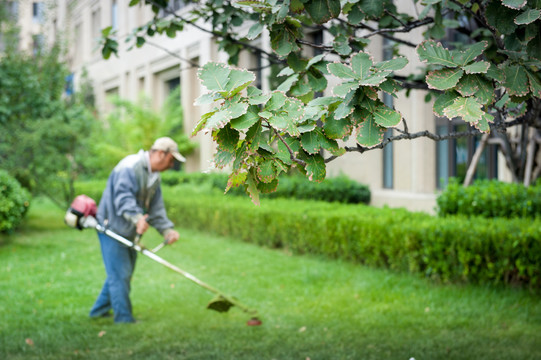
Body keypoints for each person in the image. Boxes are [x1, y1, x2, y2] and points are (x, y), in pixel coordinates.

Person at [89, 137, 184, 323]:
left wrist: (167, 231)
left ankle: (98, 311)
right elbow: (123, 198)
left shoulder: (154, 176)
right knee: (120, 274)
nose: (172, 165)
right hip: (111, 227)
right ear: (159, 153)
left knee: (121, 272)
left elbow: (156, 209)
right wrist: (137, 218)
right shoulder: (129, 166)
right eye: (171, 159)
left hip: (127, 230)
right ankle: (123, 318)